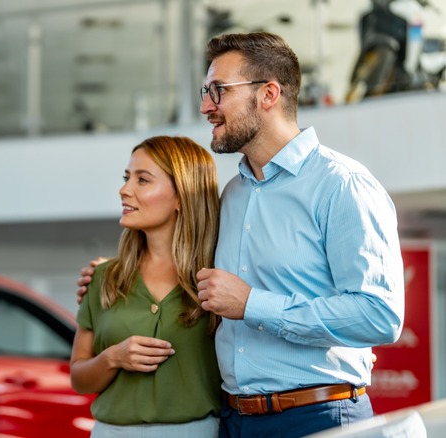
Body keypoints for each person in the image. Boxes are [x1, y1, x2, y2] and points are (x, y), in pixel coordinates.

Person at [77, 32, 405, 437]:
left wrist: (254, 304)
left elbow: (380, 315)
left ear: (268, 94)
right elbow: (181, 262)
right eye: (205, 91)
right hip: (234, 421)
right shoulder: (232, 195)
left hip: (316, 416)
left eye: (218, 91)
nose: (205, 107)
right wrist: (109, 278)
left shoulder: (342, 185)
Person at [70, 136, 223, 437]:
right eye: (127, 178)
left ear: (182, 196)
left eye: (143, 180)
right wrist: (113, 358)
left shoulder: (219, 279)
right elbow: (79, 378)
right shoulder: (102, 277)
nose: (124, 190)